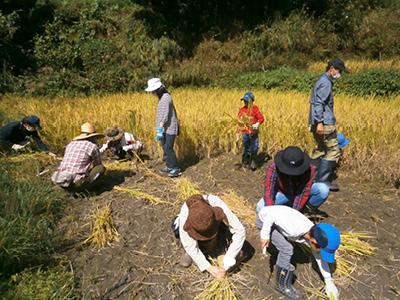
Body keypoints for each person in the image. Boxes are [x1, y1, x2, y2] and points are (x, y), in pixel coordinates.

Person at [256, 205, 340, 299]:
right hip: (264, 219)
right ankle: (281, 286)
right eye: (322, 250)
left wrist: (328, 281)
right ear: (314, 242)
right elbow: (270, 216)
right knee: (287, 249)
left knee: (284, 243)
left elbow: (319, 257)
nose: (321, 252)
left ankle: (276, 248)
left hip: (279, 219)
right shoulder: (294, 229)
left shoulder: (313, 233)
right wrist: (265, 235)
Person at [172, 194, 246, 279]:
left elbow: (240, 230)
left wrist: (229, 259)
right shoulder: (186, 214)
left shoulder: (216, 202)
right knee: (178, 230)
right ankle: (187, 251)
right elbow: (189, 245)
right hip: (187, 226)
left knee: (212, 243)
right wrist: (208, 267)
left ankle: (211, 239)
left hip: (212, 224)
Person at [308, 58, 349, 191]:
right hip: (325, 123)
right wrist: (320, 122)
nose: (339, 74)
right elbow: (319, 103)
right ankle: (323, 180)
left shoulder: (321, 80)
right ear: (331, 68)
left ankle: (311, 178)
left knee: (320, 149)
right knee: (333, 150)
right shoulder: (326, 82)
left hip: (317, 122)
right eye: (339, 70)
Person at [256, 146, 330, 218]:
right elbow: (269, 190)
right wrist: (271, 212)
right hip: (283, 193)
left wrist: (294, 214)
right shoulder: (274, 167)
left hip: (299, 192)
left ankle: (306, 210)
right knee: (260, 207)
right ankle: (287, 204)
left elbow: (304, 192)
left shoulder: (309, 169)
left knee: (323, 190)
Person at [51, 123, 106, 192]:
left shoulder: (70, 144)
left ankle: (62, 188)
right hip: (76, 182)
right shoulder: (92, 146)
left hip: (61, 178)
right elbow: (97, 164)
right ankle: (85, 188)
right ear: (92, 137)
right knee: (100, 168)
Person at [145, 78, 181, 177]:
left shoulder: (166, 97)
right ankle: (169, 166)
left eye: (153, 90)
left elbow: (164, 115)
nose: (152, 92)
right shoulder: (161, 99)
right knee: (165, 147)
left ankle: (175, 168)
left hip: (169, 128)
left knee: (169, 148)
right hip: (164, 128)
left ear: (158, 89)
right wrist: (159, 129)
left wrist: (160, 129)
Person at [236, 92, 264, 170]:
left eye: (247, 101)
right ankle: (245, 162)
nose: (245, 102)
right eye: (244, 101)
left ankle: (253, 161)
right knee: (247, 147)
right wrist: (237, 133)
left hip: (253, 132)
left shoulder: (255, 109)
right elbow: (238, 122)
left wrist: (257, 124)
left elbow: (261, 118)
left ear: (252, 101)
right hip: (245, 132)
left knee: (255, 147)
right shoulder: (242, 110)